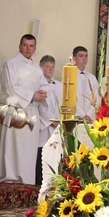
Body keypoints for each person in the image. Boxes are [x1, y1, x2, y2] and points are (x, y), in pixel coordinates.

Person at [0, 34, 44, 185]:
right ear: (19, 46)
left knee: (28, 149)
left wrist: (42, 93)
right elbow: (10, 89)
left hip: (33, 111)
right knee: (15, 147)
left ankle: (26, 179)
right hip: (17, 110)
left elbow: (41, 85)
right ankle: (11, 176)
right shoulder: (11, 64)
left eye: (31, 46)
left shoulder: (36, 68)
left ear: (35, 48)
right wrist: (31, 95)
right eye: (25, 45)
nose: (28, 48)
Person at [35, 55, 61, 186]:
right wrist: (51, 120)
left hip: (57, 125)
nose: (50, 69)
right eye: (47, 66)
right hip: (45, 125)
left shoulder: (59, 85)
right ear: (41, 68)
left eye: (52, 67)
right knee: (42, 153)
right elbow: (39, 106)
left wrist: (60, 120)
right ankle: (40, 181)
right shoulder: (39, 85)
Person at [73, 46, 100, 122]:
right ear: (74, 58)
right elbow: (70, 98)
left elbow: (96, 98)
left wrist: (89, 114)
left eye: (86, 56)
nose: (84, 59)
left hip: (90, 119)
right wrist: (82, 115)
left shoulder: (92, 78)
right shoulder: (69, 76)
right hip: (76, 117)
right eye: (81, 56)